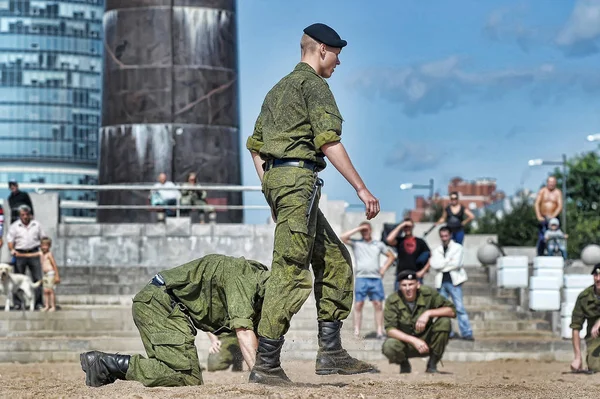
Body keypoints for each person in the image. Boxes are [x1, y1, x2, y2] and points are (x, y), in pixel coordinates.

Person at [245, 23, 380, 384]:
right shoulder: (313, 85)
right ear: (321, 49)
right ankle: (267, 364)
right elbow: (328, 142)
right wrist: (361, 189)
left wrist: (270, 189)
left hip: (283, 183)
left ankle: (331, 352)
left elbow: (256, 147)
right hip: (297, 183)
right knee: (290, 270)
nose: (338, 62)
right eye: (336, 54)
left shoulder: (277, 90)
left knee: (336, 260)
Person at [80, 254, 269, 388]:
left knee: (180, 373)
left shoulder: (251, 282)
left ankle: (105, 366)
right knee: (185, 376)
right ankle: (105, 364)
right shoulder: (242, 280)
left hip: (163, 305)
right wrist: (261, 378)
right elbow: (243, 331)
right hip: (160, 305)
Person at [381, 270, 456, 374]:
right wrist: (414, 341)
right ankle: (404, 364)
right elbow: (390, 329)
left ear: (418, 284)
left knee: (444, 321)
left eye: (411, 284)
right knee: (388, 346)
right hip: (406, 343)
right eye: (404, 285)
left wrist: (428, 313)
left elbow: (452, 311)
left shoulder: (428, 294)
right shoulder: (392, 300)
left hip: (427, 340)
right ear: (399, 286)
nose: (407, 288)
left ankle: (432, 364)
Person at [340, 222, 396, 339]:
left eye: (367, 230)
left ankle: (379, 332)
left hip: (375, 278)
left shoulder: (378, 244)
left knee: (378, 304)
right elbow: (343, 237)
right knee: (359, 304)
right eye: (363, 231)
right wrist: (359, 227)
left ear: (371, 230)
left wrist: (384, 269)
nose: (365, 232)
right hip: (361, 278)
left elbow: (391, 256)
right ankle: (356, 332)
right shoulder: (357, 243)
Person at [430, 226, 474, 341]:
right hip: (441, 282)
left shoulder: (457, 247)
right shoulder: (437, 249)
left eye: (446, 235)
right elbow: (434, 264)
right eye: (442, 236)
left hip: (454, 282)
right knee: (443, 309)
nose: (444, 238)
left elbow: (456, 264)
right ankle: (447, 332)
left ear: (450, 235)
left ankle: (466, 332)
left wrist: (442, 264)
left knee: (459, 308)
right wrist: (447, 262)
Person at [6, 205, 45, 310]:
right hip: (20, 254)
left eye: (27, 214)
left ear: (30, 215)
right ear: (20, 215)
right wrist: (12, 250)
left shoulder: (36, 225)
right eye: (23, 215)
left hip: (34, 253)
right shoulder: (14, 226)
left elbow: (43, 238)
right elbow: (10, 240)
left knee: (37, 278)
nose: (25, 217)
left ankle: (38, 303)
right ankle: (18, 303)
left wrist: (43, 250)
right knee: (16, 280)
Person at [570, 264, 600, 373]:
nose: (598, 278)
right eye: (596, 275)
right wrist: (577, 357)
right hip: (596, 339)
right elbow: (575, 327)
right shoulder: (584, 297)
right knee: (596, 367)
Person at [385, 218, 431, 288]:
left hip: (416, 275)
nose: (407, 229)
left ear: (413, 227)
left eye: (409, 227)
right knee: (399, 298)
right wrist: (401, 225)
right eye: (405, 227)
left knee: (418, 298)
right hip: (401, 275)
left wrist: (423, 271)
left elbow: (431, 257)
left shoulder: (420, 242)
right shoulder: (400, 241)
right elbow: (389, 239)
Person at [534, 176, 563, 256]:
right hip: (543, 217)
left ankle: (556, 254)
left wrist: (553, 216)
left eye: (553, 182)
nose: (551, 184)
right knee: (542, 237)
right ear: (547, 182)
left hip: (554, 219)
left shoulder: (557, 192)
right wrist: (539, 216)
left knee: (556, 237)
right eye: (550, 182)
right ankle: (540, 254)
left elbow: (560, 206)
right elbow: (537, 204)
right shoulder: (543, 191)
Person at [40, 237, 60, 312]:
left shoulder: (49, 254)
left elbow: (54, 265)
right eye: (43, 245)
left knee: (50, 290)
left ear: (49, 246)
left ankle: (53, 306)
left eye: (46, 245)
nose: (44, 247)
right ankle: (47, 305)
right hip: (45, 274)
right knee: (45, 290)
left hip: (51, 273)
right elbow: (32, 254)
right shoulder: (41, 254)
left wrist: (57, 275)